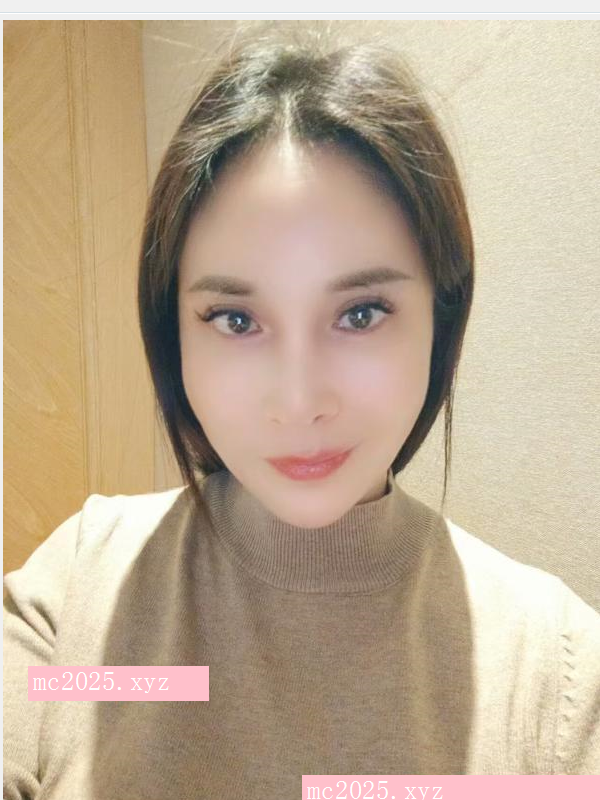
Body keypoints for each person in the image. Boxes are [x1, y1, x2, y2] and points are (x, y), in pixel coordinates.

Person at [4, 35, 600, 799]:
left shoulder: (554, 670)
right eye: (235, 320)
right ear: (172, 331)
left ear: (441, 316)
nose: (298, 401)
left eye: (360, 313)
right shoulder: (82, 592)